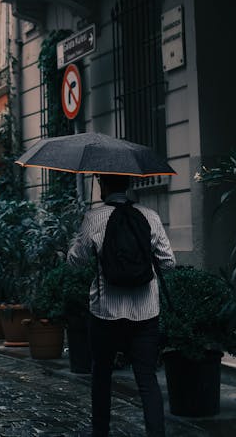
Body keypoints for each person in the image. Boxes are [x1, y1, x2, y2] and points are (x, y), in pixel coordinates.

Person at [67, 174, 175, 437]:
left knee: (101, 375)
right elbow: (168, 262)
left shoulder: (94, 218)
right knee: (147, 379)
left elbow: (75, 261)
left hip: (106, 311)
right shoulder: (150, 216)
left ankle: (101, 432)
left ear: (103, 186)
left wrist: (77, 245)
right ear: (129, 184)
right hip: (146, 311)